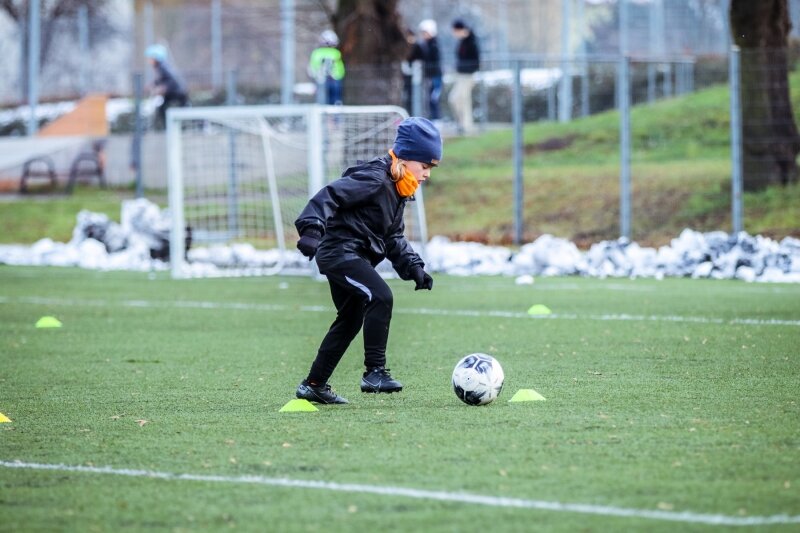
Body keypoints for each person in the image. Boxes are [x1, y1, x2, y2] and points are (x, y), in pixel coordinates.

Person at [293, 117, 442, 404]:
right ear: (406, 157)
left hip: (353, 256)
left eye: (431, 169)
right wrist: (312, 230)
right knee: (380, 296)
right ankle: (375, 372)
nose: (426, 174)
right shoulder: (375, 179)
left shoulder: (399, 188)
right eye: (424, 166)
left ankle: (313, 384)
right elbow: (330, 195)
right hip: (340, 253)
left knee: (350, 320)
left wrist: (414, 266)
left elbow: (392, 236)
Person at [144, 44, 189, 129]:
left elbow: (172, 80)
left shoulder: (163, 67)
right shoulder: (160, 67)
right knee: (162, 109)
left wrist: (163, 88)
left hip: (177, 93)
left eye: (150, 58)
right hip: (173, 94)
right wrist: (152, 85)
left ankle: (172, 128)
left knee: (168, 110)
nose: (149, 60)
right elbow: (160, 80)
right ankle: (170, 127)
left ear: (156, 58)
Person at [448, 19, 480, 135]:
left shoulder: (471, 41)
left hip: (468, 75)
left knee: (463, 100)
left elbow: (476, 61)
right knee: (454, 99)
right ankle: (462, 124)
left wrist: (466, 68)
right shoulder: (462, 42)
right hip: (460, 75)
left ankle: (467, 126)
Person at [407, 20, 443, 121]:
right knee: (427, 99)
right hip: (428, 76)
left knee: (433, 98)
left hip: (435, 76)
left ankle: (436, 119)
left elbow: (433, 60)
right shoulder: (424, 45)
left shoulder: (434, 45)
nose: (424, 35)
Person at [308, 30, 345, 105]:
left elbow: (312, 68)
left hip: (321, 80)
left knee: (321, 100)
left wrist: (316, 76)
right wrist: (337, 76)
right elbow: (340, 70)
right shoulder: (336, 53)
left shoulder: (316, 53)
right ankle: (335, 108)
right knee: (334, 100)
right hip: (334, 80)